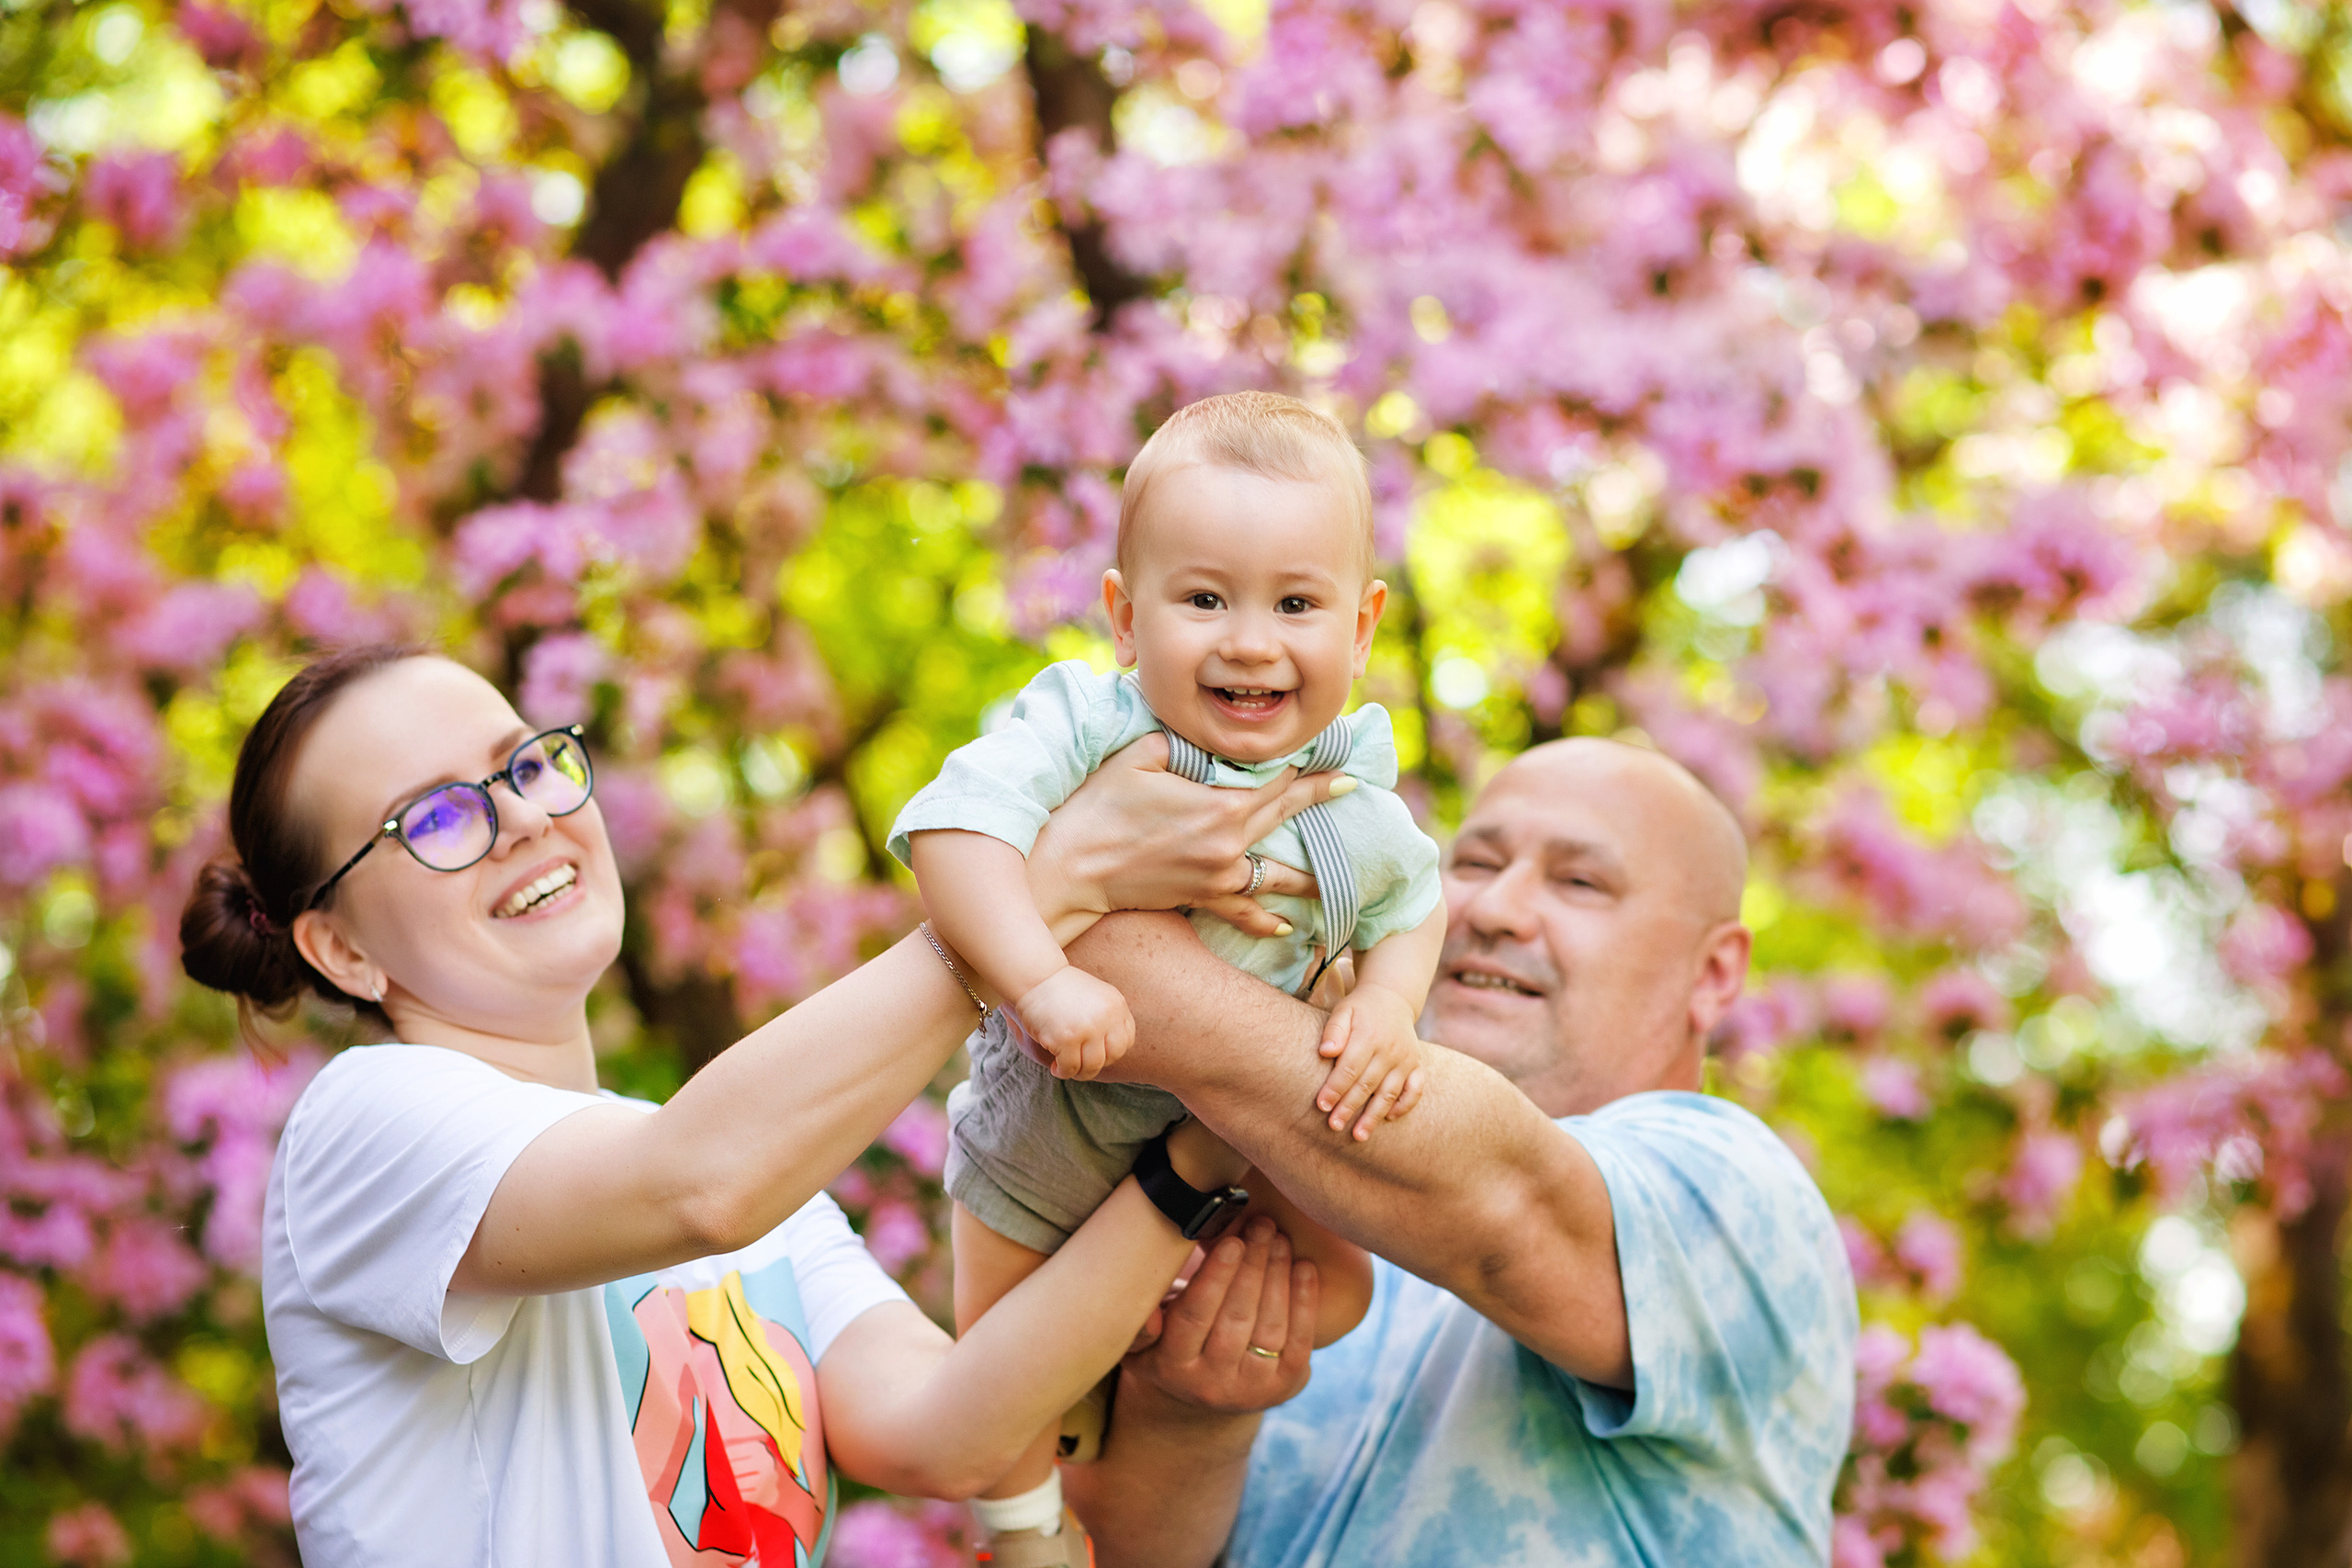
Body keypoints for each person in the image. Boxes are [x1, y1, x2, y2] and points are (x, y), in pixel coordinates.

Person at [174, 644, 1346, 1567]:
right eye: (433, 819)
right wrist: (1024, 906)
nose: (524, 817)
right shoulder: (363, 1124)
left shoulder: (758, 1199)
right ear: (342, 949)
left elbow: (956, 1428)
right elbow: (699, 1185)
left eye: (525, 763)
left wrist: (1189, 1158)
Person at [1054, 738, 1860, 1566]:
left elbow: (1506, 1198)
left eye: (1579, 881)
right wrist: (1195, 1423)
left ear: (1716, 972)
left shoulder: (1738, 1186)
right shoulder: (1300, 1192)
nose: (1495, 908)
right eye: (1473, 863)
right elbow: (1107, 1551)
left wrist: (1087, 934)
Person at [888, 393, 1445, 1562]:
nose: (1250, 640)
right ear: (1124, 616)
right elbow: (954, 831)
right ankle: (1025, 1523)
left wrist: (1389, 1004)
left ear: (1362, 624)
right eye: (1204, 600)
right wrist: (1040, 980)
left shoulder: (1349, 795)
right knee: (999, 1391)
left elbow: (1415, 902)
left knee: (1334, 1295)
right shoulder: (1087, 724)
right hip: (1051, 1134)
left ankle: (1145, 1348)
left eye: (1296, 603)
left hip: (1237, 1148)